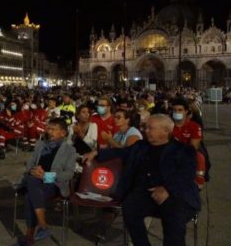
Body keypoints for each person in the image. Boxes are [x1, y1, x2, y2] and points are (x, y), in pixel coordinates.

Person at [83, 114, 200, 246]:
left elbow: (186, 175)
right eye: (145, 127)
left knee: (173, 218)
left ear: (166, 131)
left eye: (150, 128)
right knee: (130, 208)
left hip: (174, 194)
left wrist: (167, 189)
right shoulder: (140, 146)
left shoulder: (184, 151)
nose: (146, 131)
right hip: (145, 193)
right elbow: (120, 152)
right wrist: (97, 153)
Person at [14, 118, 76, 246]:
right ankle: (41, 224)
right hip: (35, 179)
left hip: (54, 183)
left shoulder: (69, 150)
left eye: (54, 129)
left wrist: (45, 176)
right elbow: (29, 165)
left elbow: (68, 174)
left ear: (63, 133)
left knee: (29, 195)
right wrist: (34, 170)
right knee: (32, 180)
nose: (50, 132)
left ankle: (30, 235)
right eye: (48, 129)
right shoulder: (40, 145)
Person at [170, 98, 206, 188]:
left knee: (200, 157)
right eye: (174, 110)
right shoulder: (168, 125)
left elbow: (193, 148)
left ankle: (198, 182)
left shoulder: (194, 126)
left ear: (186, 111)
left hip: (186, 152)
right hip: (169, 152)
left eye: (180, 110)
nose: (177, 112)